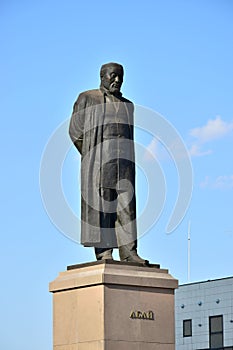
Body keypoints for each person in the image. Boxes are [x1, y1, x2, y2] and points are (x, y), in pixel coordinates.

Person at [69, 62, 148, 264]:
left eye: (120, 77)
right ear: (102, 76)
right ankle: (104, 252)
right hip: (100, 163)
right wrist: (91, 154)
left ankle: (129, 252)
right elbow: (75, 131)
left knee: (126, 209)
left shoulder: (127, 105)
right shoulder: (88, 98)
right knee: (102, 207)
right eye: (113, 76)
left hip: (124, 165)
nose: (117, 80)